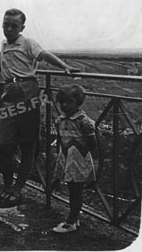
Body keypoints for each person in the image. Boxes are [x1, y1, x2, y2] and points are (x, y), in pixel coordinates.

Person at [0, 8, 79, 207]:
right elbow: (7, 59)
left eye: (14, 25)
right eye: (6, 24)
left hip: (27, 92)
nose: (9, 28)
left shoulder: (29, 42)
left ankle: (17, 189)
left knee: (27, 143)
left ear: (22, 27)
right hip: (8, 94)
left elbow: (44, 55)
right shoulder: (4, 44)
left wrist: (64, 67)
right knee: (5, 145)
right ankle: (6, 187)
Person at [52, 84, 96, 233]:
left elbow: (92, 145)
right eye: (61, 102)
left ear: (78, 102)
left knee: (75, 191)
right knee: (72, 190)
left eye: (68, 101)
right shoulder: (60, 120)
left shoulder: (84, 122)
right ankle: (74, 218)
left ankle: (71, 221)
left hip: (78, 161)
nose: (64, 105)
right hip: (67, 158)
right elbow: (60, 139)